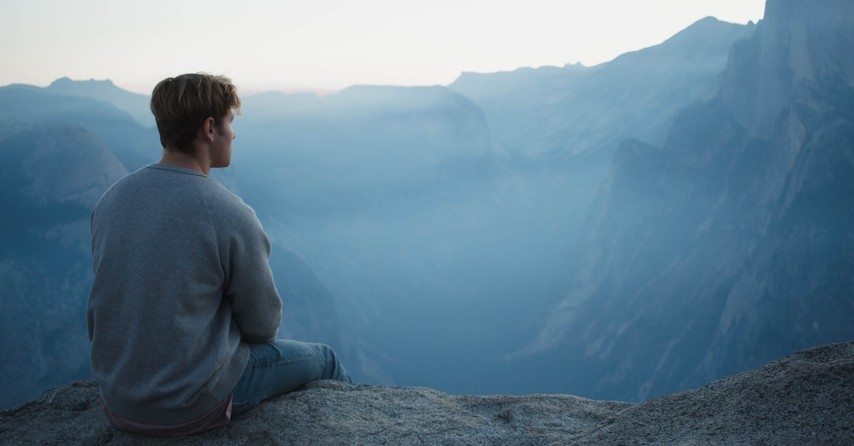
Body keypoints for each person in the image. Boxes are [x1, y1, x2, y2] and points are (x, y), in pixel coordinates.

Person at [87, 73, 351, 436]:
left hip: (117, 403)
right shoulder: (228, 213)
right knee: (326, 359)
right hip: (190, 406)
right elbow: (263, 325)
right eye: (230, 121)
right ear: (210, 128)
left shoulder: (110, 202)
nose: (234, 133)